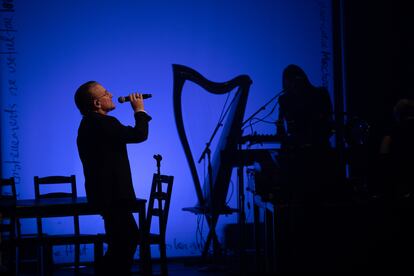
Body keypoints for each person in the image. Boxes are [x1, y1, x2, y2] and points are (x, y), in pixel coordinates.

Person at [74, 81, 151, 275]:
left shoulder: (89, 124)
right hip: (113, 196)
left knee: (121, 241)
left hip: (104, 195)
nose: (111, 94)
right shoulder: (104, 123)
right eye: (106, 93)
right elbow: (139, 134)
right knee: (128, 238)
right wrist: (139, 110)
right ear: (97, 104)